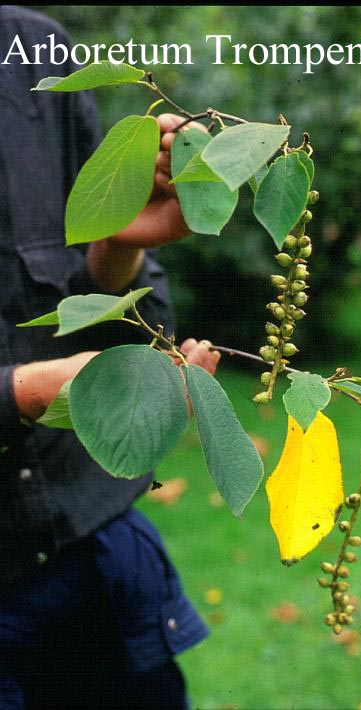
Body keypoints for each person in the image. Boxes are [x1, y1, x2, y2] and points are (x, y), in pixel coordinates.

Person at [0, 6, 219, 709]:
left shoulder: (32, 51)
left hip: (93, 545)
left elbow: (132, 318)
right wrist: (26, 392)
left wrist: (120, 244)